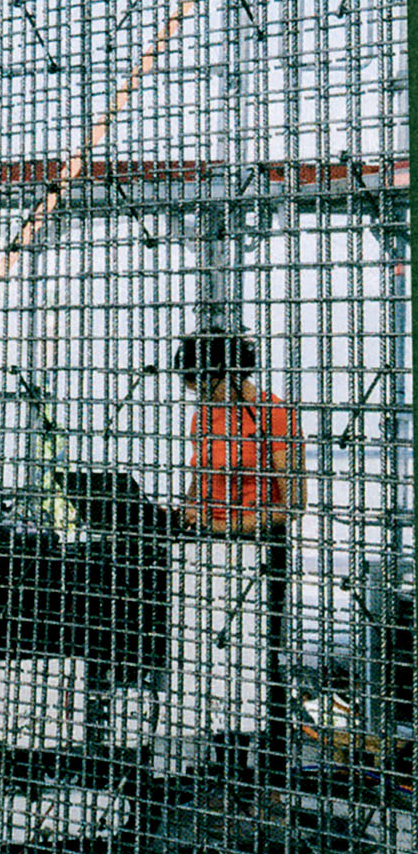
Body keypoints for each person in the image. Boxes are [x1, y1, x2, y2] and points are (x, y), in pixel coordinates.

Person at [169, 329, 302, 780]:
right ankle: (223, 765)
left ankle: (269, 772)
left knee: (259, 660)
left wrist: (227, 526)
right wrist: (185, 513)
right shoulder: (204, 417)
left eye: (196, 379)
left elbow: (293, 503)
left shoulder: (273, 413)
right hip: (209, 552)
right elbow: (198, 484)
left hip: (258, 553)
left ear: (224, 372)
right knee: (212, 655)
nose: (191, 389)